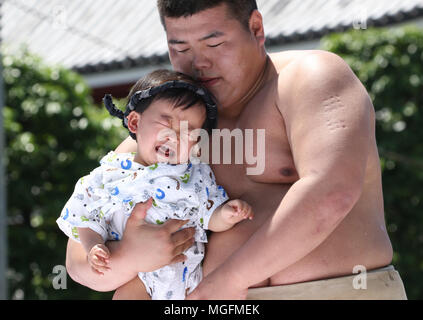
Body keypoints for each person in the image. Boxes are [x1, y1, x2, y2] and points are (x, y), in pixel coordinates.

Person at [66, 0, 407, 299]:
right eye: (180, 48)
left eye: (214, 42)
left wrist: (232, 279)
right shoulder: (167, 129)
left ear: (256, 28)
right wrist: (128, 257)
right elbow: (79, 252)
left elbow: (331, 191)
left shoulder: (309, 76)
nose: (199, 62)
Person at [58, 69, 253, 300]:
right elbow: (85, 219)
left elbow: (208, 214)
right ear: (134, 122)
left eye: (188, 132)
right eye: (166, 122)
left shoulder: (194, 175)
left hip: (184, 276)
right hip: (137, 278)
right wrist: (94, 247)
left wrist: (226, 214)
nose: (175, 136)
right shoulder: (108, 174)